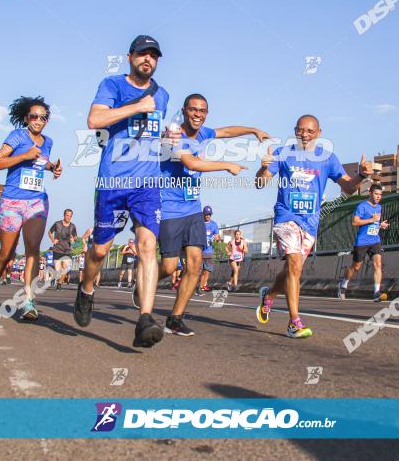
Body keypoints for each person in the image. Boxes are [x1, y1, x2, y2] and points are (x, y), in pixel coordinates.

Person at [133, 92, 259, 337]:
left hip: (193, 209)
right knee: (169, 267)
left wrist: (252, 130)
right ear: (184, 110)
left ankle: (175, 318)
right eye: (193, 110)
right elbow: (191, 164)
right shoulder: (173, 136)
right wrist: (227, 165)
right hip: (169, 209)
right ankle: (143, 283)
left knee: (195, 264)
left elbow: (225, 132)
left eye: (202, 111)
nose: (198, 114)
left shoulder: (203, 133)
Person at [73, 35, 171, 348]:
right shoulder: (112, 85)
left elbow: (153, 134)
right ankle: (87, 288)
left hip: (147, 183)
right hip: (114, 180)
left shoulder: (163, 95)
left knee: (147, 245)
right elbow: (94, 120)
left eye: (154, 55)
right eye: (143, 54)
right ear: (130, 57)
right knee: (100, 250)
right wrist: (137, 107)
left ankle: (145, 318)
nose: (148, 60)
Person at [254, 115, 371, 338]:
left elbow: (348, 188)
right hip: (286, 217)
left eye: (309, 131)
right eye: (300, 130)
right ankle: (294, 322)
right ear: (295, 131)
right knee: (295, 264)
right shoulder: (283, 154)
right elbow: (260, 183)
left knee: (292, 270)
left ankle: (269, 296)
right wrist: (262, 169)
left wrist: (361, 176)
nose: (304, 135)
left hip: (310, 222)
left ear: (318, 133)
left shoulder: (327, 158)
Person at [0, 96, 62, 321]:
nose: (38, 120)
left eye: (42, 117)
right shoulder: (17, 136)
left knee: (33, 250)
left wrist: (52, 168)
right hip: (11, 201)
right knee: (7, 253)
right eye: (34, 116)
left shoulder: (48, 142)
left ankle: (28, 301)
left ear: (47, 120)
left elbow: (39, 163)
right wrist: (24, 155)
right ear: (27, 118)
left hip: (36, 200)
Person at [338, 183, 390, 300]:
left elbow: (374, 223)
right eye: (376, 194)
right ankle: (343, 284)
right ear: (370, 193)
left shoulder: (379, 207)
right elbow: (355, 222)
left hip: (375, 240)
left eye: (380, 195)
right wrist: (372, 219)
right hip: (362, 241)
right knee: (356, 266)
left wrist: (380, 225)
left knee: (377, 264)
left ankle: (376, 292)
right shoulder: (362, 206)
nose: (378, 197)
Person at [48, 209, 77, 290]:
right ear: (64, 215)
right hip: (57, 249)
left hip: (67, 250)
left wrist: (73, 239)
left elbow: (75, 237)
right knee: (57, 269)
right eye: (67, 215)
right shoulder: (57, 224)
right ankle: (54, 276)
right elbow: (49, 232)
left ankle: (59, 284)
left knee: (65, 269)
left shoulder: (73, 226)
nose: (69, 217)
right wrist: (53, 240)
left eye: (70, 216)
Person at [199, 206, 220, 293]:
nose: (208, 216)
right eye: (206, 214)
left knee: (207, 270)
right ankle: (199, 286)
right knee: (199, 271)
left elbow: (218, 237)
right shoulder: (199, 223)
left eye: (209, 214)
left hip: (209, 252)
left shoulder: (214, 224)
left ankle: (202, 286)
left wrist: (217, 238)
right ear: (203, 214)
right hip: (199, 251)